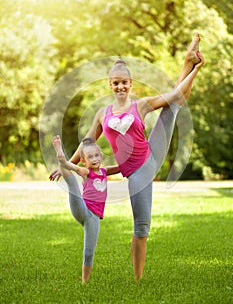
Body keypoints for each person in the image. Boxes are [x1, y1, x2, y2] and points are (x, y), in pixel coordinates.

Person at [50, 33, 205, 281]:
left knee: (174, 105)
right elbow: (87, 142)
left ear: (130, 83)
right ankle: (138, 281)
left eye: (124, 82)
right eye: (115, 83)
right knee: (141, 227)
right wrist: (68, 163)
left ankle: (190, 60)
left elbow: (175, 96)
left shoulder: (140, 105)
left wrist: (196, 70)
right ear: (110, 85)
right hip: (133, 171)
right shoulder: (102, 114)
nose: (120, 87)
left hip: (149, 158)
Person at [51, 135, 119, 283]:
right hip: (82, 209)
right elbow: (74, 167)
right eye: (90, 157)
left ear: (100, 156)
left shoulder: (105, 171)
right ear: (84, 161)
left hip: (93, 218)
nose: (94, 159)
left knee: (89, 253)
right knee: (73, 184)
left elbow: (121, 168)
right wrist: (65, 163)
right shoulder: (86, 172)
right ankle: (60, 154)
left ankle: (84, 282)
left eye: (96, 155)